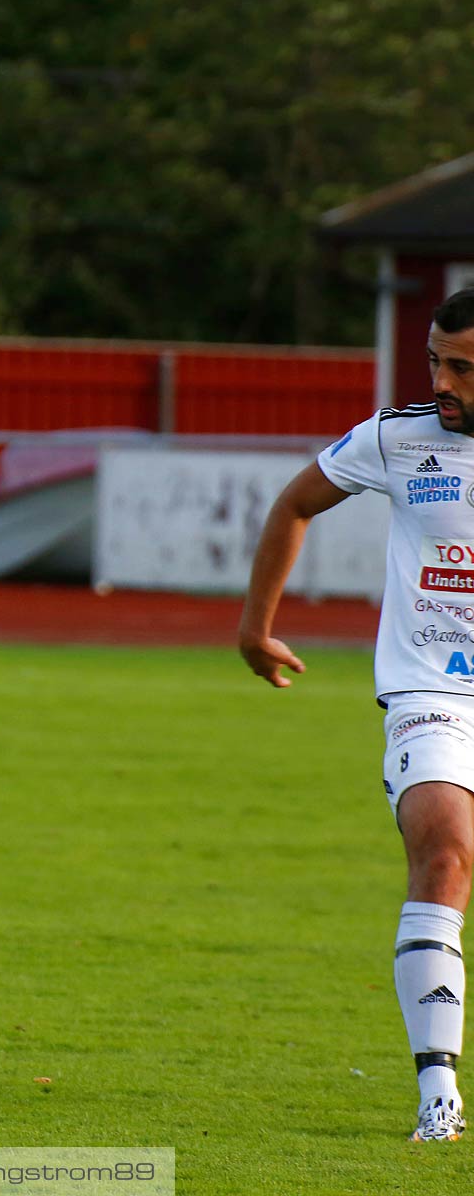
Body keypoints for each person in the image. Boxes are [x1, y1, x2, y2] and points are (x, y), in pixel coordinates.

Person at [239, 286, 474, 1144]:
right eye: (436, 361)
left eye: (464, 368)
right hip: (432, 694)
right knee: (445, 850)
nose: (443, 381)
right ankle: (438, 1098)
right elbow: (295, 503)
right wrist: (255, 627)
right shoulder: (396, 439)